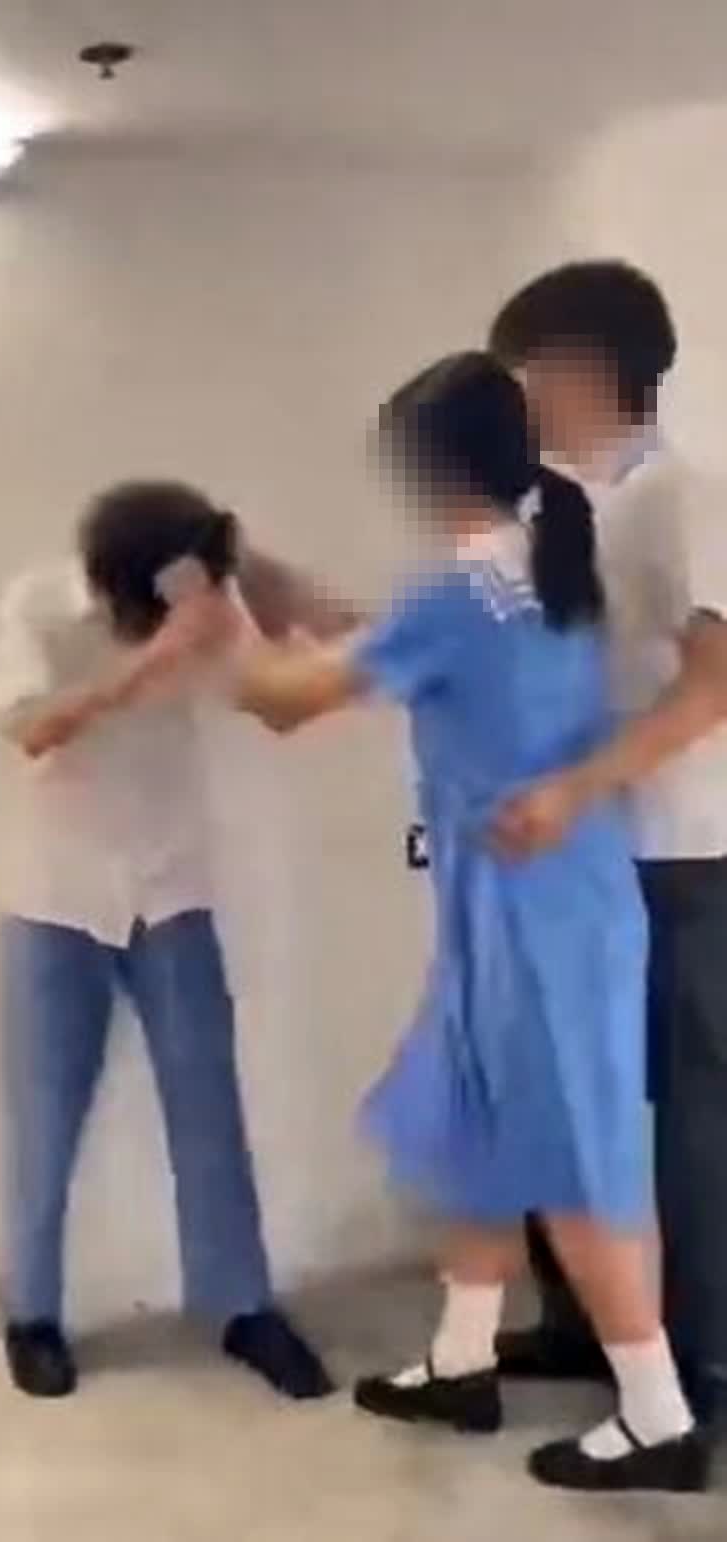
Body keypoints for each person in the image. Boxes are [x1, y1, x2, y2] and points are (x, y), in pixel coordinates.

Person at [236, 353, 705, 1492]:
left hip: (527, 903)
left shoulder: (455, 596)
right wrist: (280, 594)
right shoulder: (547, 568)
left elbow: (284, 701)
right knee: (479, 1120)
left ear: (424, 470)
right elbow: (402, 655)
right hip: (549, 893)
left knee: (567, 1151)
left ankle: (657, 1415)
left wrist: (207, 635)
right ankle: (461, 1358)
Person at [0, 480, 346, 1402]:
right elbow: (30, 727)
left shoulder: (202, 596)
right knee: (43, 1120)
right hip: (57, 898)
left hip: (173, 888)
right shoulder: (37, 604)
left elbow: (284, 699)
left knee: (207, 1107)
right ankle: (31, 1315)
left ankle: (240, 1306)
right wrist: (154, 659)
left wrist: (259, 589)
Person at [488, 262, 727, 1438]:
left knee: (684, 1118)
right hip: (584, 856)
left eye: (526, 377)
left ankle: (700, 1368)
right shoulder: (566, 510)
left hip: (684, 854)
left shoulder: (690, 499)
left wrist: (578, 785)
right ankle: (589, 1325)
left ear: (584, 370)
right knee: (577, 1100)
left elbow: (716, 684)